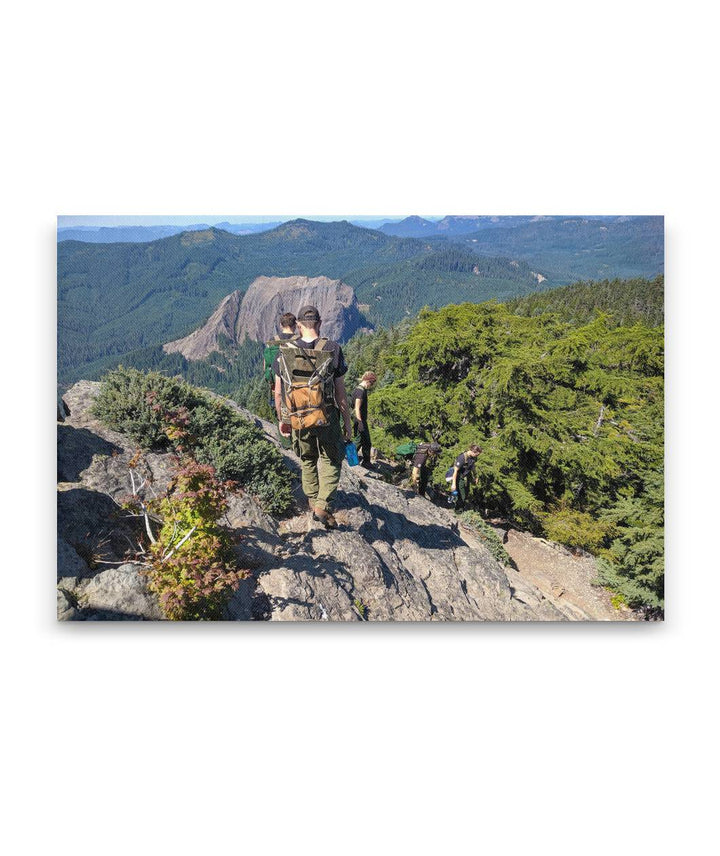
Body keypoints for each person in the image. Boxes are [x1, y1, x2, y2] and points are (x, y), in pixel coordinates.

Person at [273, 305, 352, 529]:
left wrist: (283, 418)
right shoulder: (333, 348)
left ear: (298, 324)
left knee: (307, 458)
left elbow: (279, 391)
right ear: (319, 323)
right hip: (326, 414)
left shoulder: (285, 351)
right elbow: (340, 392)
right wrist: (346, 422)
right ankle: (322, 506)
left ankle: (312, 500)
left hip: (298, 414)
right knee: (331, 458)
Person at [264, 312, 297, 407]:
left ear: (281, 325)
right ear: (295, 325)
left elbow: (266, 364)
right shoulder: (300, 341)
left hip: (277, 384)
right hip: (297, 384)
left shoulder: (272, 341)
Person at [351, 371, 377, 468]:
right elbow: (356, 407)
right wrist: (360, 422)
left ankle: (366, 462)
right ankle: (351, 458)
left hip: (360, 419)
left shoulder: (360, 389)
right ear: (368, 381)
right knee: (358, 440)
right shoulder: (360, 391)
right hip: (359, 419)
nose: (371, 386)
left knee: (366, 441)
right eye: (372, 383)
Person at [447, 444, 482, 511]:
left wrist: (475, 476)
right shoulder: (462, 458)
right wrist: (453, 484)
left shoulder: (473, 457)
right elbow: (455, 471)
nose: (477, 456)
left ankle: (459, 506)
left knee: (466, 493)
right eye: (477, 454)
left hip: (466, 476)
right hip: (458, 477)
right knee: (461, 495)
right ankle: (458, 511)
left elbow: (472, 465)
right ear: (473, 451)